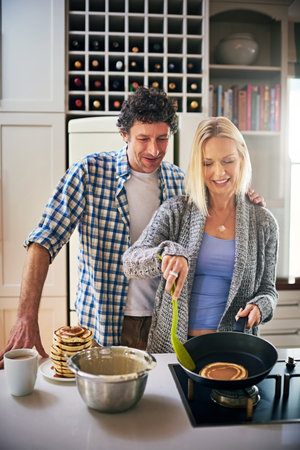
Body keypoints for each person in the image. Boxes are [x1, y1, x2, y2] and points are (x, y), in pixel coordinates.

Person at [0, 88, 264, 369]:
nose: (154, 149)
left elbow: (220, 213)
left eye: (162, 139)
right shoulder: (89, 172)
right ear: (124, 134)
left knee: (162, 408)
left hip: (163, 327)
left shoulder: (180, 183)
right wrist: (25, 317)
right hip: (103, 327)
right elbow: (43, 241)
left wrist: (244, 200)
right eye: (143, 139)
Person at [122, 116, 279, 354]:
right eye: (208, 163)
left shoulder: (264, 223)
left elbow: (268, 289)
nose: (219, 172)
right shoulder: (176, 211)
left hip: (236, 349)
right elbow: (131, 262)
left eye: (228, 161)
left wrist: (261, 307)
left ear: (242, 159)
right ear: (198, 165)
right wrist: (165, 254)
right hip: (174, 349)